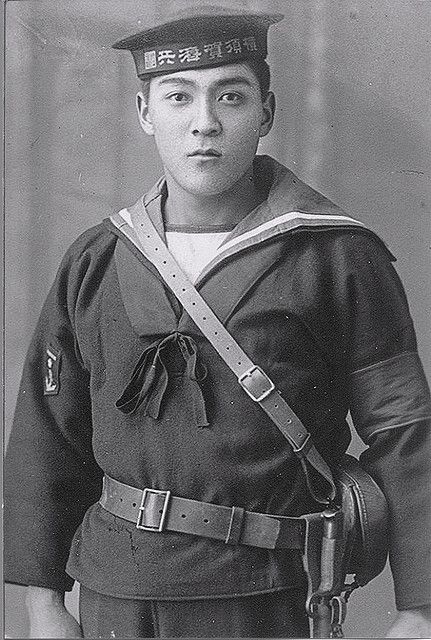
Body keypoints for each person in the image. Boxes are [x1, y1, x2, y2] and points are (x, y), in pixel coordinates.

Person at [4, 6, 431, 639]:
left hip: (264, 593)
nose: (205, 124)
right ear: (146, 114)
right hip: (114, 590)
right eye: (179, 98)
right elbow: (47, 438)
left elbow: (406, 431)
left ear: (266, 111)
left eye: (230, 96)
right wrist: (43, 607)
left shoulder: (337, 257)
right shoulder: (96, 259)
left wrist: (420, 612)